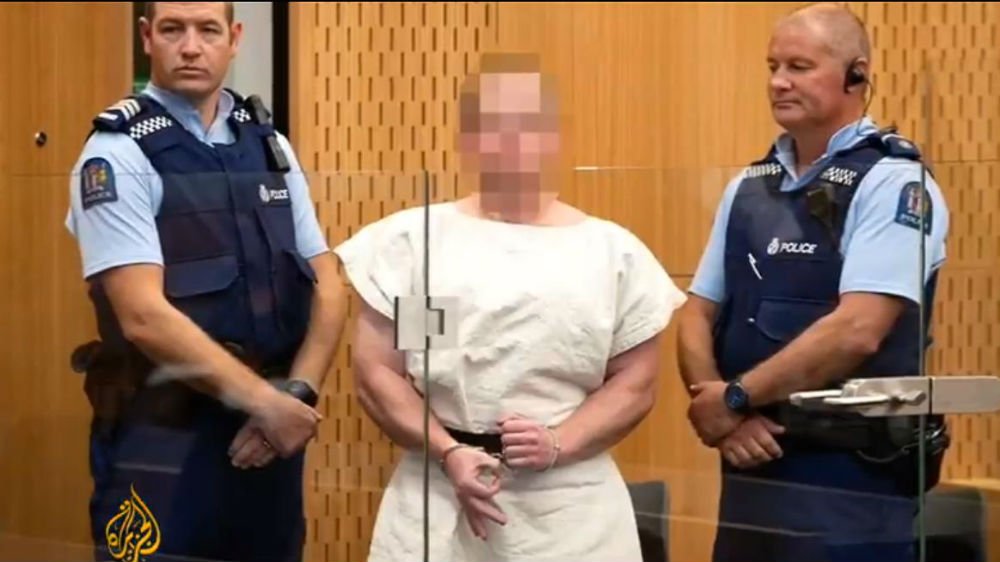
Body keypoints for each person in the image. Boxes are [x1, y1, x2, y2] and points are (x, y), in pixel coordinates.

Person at [333, 52, 687, 562]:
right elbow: (379, 373)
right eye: (493, 125)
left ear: (554, 137)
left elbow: (636, 383)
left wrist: (558, 442)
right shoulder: (419, 243)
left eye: (528, 124)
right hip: (437, 493)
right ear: (467, 140)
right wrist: (450, 450)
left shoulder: (612, 253)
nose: (512, 140)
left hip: (570, 511)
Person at [64, 3, 346, 561]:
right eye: (173, 29)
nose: (191, 47)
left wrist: (296, 396)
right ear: (147, 37)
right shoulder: (116, 151)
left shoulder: (268, 145)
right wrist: (267, 405)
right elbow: (142, 316)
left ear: (234, 38)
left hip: (270, 438)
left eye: (208, 30)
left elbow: (328, 282)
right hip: (163, 440)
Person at [676, 4, 950, 562]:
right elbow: (697, 313)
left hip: (850, 481)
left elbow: (858, 330)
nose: (778, 81)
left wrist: (735, 396)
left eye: (799, 66)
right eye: (773, 66)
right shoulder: (749, 186)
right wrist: (721, 414)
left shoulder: (894, 182)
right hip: (750, 463)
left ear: (856, 75)